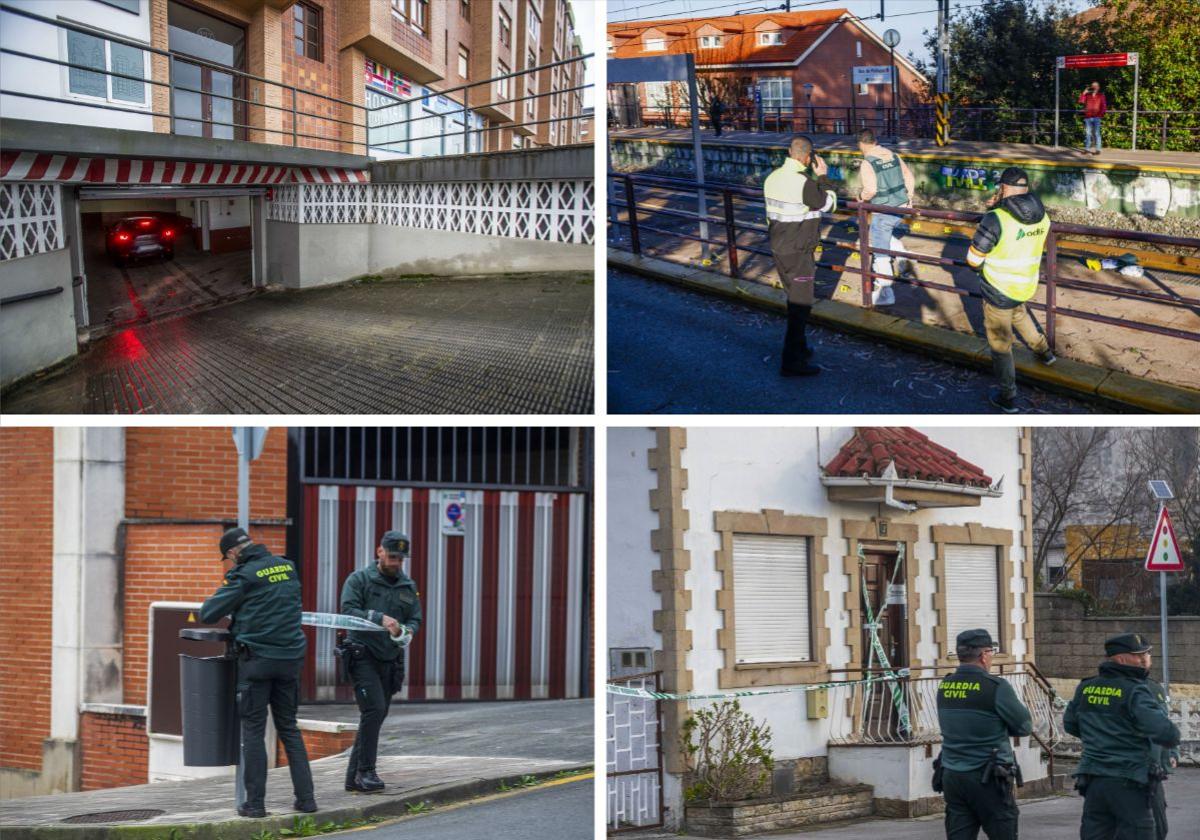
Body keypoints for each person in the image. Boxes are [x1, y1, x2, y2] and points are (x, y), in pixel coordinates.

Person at [200, 528, 315, 818]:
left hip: (257, 663)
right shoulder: (287, 567)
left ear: (233, 552)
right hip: (290, 661)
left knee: (253, 731)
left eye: (227, 558)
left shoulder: (244, 576)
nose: (229, 563)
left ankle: (255, 804)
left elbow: (209, 612)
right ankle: (307, 800)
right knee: (289, 729)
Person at [1064, 633, 1181, 840]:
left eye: (1146, 654)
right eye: (1138, 655)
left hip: (1095, 781)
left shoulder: (1086, 687)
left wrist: (1102, 737)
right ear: (1119, 658)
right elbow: (1166, 732)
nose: (1144, 659)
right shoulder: (1135, 690)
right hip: (1128, 780)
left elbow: (1071, 725)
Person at [966, 166, 1057, 414]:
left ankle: (1008, 396)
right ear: (1025, 189)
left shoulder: (996, 218)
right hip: (1024, 284)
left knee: (1000, 346)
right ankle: (1045, 353)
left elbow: (973, 260)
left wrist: (992, 211)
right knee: (1019, 314)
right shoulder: (1042, 216)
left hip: (998, 289)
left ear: (1003, 188)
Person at [339, 530, 423, 793]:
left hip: (391, 659)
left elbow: (415, 619)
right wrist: (379, 618)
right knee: (373, 710)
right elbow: (348, 611)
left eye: (401, 558)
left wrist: (405, 632)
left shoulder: (407, 586)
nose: (397, 563)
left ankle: (353, 778)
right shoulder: (359, 579)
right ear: (380, 552)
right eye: (393, 556)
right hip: (362, 655)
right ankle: (367, 771)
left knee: (376, 714)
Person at [934, 629, 1032, 840]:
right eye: (991, 651)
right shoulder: (996, 687)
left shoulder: (946, 685)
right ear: (984, 655)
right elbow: (1024, 726)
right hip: (987, 776)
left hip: (952, 773)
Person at [762, 134, 838, 377]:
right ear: (808, 157)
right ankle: (791, 362)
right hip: (799, 254)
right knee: (800, 307)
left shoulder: (772, 178)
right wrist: (823, 175)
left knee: (794, 299)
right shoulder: (805, 183)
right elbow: (829, 203)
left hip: (779, 248)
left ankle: (802, 349)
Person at [856, 128, 917, 306]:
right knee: (882, 235)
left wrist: (861, 198)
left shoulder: (867, 163)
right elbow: (909, 177)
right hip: (902, 206)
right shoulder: (893, 155)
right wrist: (909, 199)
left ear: (861, 144)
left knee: (879, 249)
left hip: (883, 209)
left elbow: (871, 190)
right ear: (875, 140)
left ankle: (885, 292)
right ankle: (904, 256)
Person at [1146, 675, 1178, 839]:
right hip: (1140, 769)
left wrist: (1171, 753)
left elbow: (1163, 722)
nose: (1147, 658)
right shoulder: (1139, 689)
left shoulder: (1154, 687)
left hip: (1153, 769)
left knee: (1159, 824)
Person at [1079, 82, 1108, 155]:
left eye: (1096, 86)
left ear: (1098, 87)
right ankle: (1087, 149)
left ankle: (1098, 150)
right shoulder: (1088, 95)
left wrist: (1100, 115)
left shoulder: (1101, 95)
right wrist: (1083, 93)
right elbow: (1081, 102)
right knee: (1088, 133)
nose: (1094, 87)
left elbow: (1104, 106)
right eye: (1093, 86)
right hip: (1088, 117)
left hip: (1096, 117)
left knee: (1096, 133)